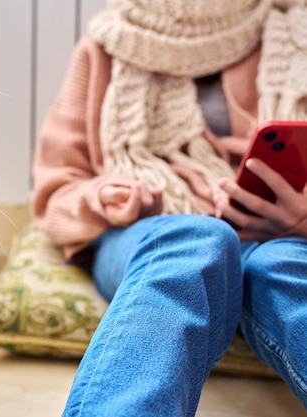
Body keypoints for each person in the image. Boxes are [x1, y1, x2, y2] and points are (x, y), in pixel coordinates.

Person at [31, 0, 307, 415]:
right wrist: (104, 198)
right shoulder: (106, 45)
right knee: (197, 239)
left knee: (283, 268)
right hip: (154, 231)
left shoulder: (294, 30)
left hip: (278, 237)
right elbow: (57, 190)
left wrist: (301, 219)